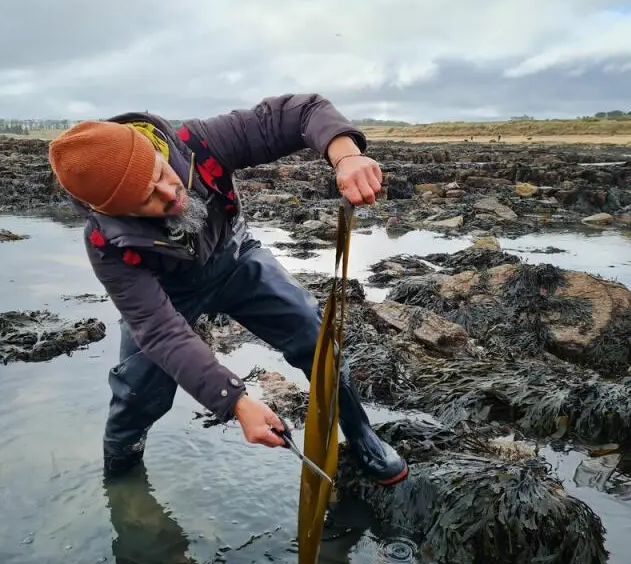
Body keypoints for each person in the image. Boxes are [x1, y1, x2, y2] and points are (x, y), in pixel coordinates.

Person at [47, 93, 409, 486]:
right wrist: (235, 401)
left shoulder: (199, 143)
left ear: (155, 148)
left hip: (234, 258)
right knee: (136, 392)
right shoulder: (106, 243)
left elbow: (299, 113)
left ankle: (360, 432)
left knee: (311, 331)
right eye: (146, 199)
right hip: (169, 295)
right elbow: (159, 330)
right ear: (112, 211)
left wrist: (346, 155)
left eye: (159, 174)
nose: (169, 194)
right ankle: (122, 462)